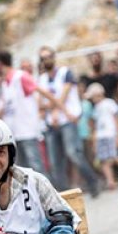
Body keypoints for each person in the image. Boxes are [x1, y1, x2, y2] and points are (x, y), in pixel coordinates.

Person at [38, 46, 101, 194]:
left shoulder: (65, 73)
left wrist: (52, 109)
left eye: (48, 56)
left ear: (54, 57)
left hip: (67, 121)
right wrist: (54, 109)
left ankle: (93, 181)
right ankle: (63, 194)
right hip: (52, 123)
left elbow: (63, 97)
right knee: (55, 161)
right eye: (43, 58)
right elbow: (40, 103)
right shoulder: (41, 79)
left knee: (73, 154)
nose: (46, 60)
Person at [0, 50, 57, 174]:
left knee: (36, 166)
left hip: (27, 131)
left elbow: (42, 91)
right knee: (20, 170)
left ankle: (46, 192)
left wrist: (56, 107)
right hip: (13, 134)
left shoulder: (20, 76)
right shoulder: (4, 83)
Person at [86, 83, 118, 189]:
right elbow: (95, 126)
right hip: (101, 136)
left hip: (110, 134)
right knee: (103, 159)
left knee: (114, 157)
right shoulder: (96, 108)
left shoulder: (109, 103)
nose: (92, 99)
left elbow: (116, 119)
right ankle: (110, 181)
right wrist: (94, 140)